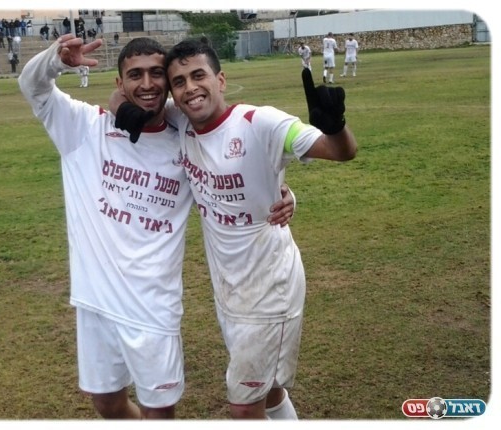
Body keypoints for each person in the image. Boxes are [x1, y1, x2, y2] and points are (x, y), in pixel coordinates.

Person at [18, 35, 296, 419]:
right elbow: (32, 86)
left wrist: (282, 193)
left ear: (167, 82)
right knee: (107, 403)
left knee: (159, 413)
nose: (146, 83)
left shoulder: (184, 136)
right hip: (95, 303)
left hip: (153, 307)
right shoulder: (83, 127)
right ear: (119, 83)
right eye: (135, 75)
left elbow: (235, 170)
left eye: (155, 74)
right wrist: (55, 60)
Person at [114, 39, 357, 420]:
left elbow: (341, 151)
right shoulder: (182, 121)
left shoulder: (260, 123)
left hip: (270, 287)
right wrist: (122, 109)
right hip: (229, 288)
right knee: (269, 391)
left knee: (244, 407)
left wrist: (336, 127)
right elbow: (126, 97)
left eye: (199, 76)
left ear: (221, 80)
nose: (190, 88)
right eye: (179, 82)